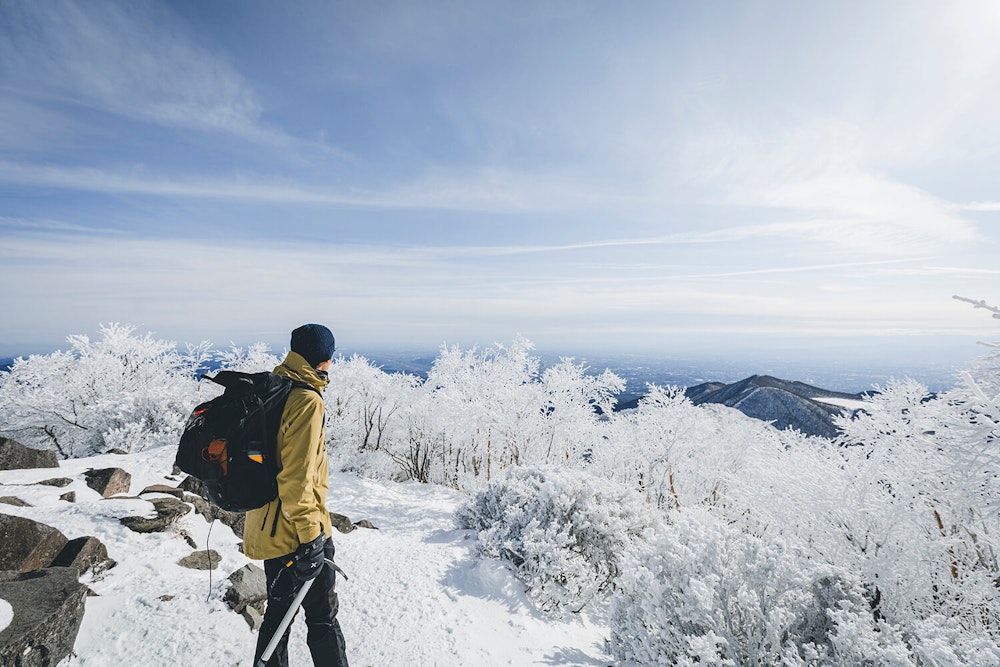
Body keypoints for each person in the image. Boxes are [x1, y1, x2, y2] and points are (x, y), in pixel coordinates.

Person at [244, 323, 349, 667]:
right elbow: (296, 478)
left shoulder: (276, 388)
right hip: (298, 533)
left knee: (277, 619)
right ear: (325, 360)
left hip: (269, 527)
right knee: (322, 619)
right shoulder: (306, 400)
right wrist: (311, 537)